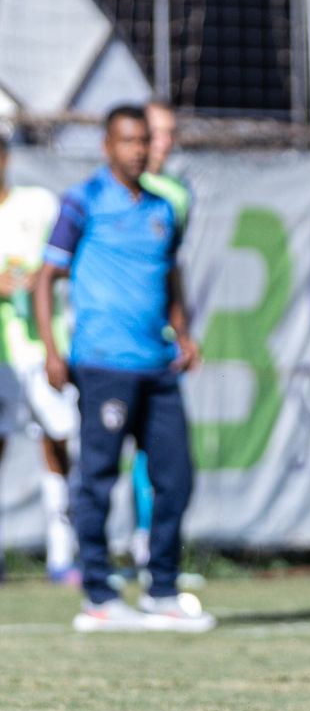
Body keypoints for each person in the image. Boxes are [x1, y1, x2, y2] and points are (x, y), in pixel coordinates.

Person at [35, 106, 211, 632]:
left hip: (157, 366)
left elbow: (170, 273)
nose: (138, 150)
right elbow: (46, 278)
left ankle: (161, 588)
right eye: (128, 141)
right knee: (98, 480)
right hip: (102, 364)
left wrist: (182, 332)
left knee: (175, 478)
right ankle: (98, 593)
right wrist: (51, 348)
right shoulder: (83, 202)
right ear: (107, 147)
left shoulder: (163, 207)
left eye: (144, 141)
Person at [0, 132, 79, 584]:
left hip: (41, 347)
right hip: (2, 357)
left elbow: (67, 260)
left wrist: (40, 278)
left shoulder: (39, 205)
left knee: (56, 443)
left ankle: (62, 556)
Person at [127, 101, 192, 575]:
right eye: (155, 132)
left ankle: (150, 546)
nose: (162, 142)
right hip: (106, 347)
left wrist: (181, 328)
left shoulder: (174, 196)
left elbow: (169, 267)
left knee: (162, 455)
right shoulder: (110, 192)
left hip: (155, 340)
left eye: (170, 133)